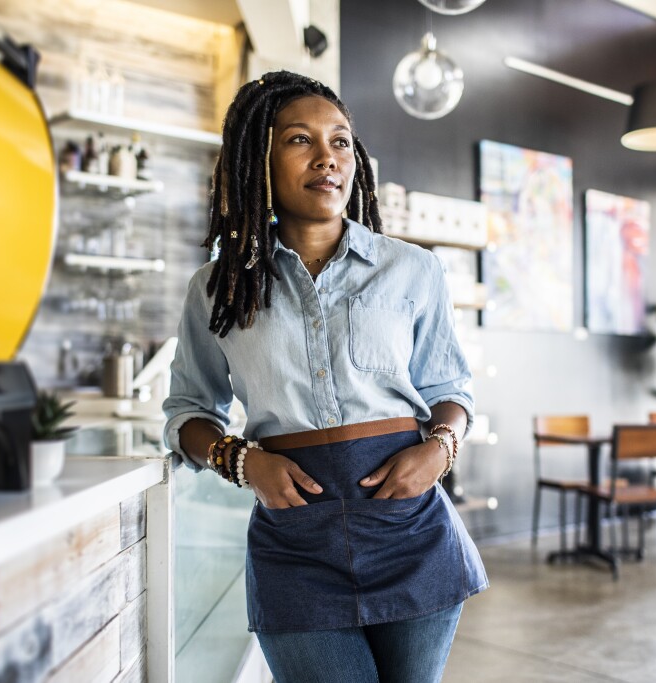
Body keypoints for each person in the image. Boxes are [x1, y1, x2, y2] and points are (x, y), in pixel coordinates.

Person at [163, 70, 487, 683]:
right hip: (294, 548)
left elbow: (451, 390)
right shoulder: (216, 288)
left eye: (340, 141)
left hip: (411, 532)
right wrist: (240, 461)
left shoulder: (412, 270)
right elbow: (187, 411)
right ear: (258, 158)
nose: (327, 158)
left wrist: (439, 450)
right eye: (298, 140)